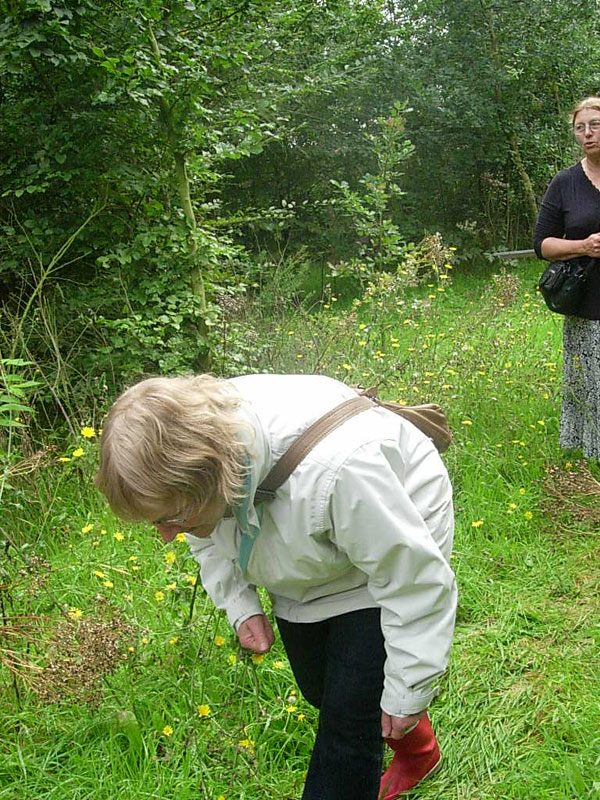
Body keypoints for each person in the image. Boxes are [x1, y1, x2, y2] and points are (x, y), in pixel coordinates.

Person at [95, 373, 457, 800]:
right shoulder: (200, 469)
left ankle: (395, 724)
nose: (166, 536)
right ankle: (417, 745)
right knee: (320, 686)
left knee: (348, 724)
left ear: (214, 481)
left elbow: (413, 582)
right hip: (311, 541)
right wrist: (240, 604)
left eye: (171, 519)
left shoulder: (344, 471)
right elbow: (202, 533)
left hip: (391, 536)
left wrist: (408, 691)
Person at [534, 96, 600, 460]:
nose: (587, 134)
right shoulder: (565, 182)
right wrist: (584, 246)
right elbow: (542, 245)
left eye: (595, 125)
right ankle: (591, 458)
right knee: (590, 383)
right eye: (580, 128)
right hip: (587, 305)